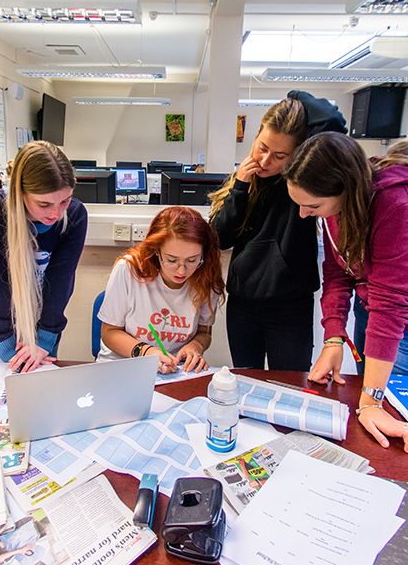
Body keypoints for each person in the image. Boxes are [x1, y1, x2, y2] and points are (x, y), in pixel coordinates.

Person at [284, 133, 408, 452]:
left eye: (312, 206)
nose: (303, 214)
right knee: (373, 409)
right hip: (375, 313)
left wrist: (371, 402)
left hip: (398, 319)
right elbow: (339, 272)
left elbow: (390, 305)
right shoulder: (336, 209)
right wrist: (334, 337)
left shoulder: (395, 204)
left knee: (390, 414)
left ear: (344, 189)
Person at [209, 91, 347, 371]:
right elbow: (219, 239)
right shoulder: (244, 181)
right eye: (262, 148)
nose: (266, 160)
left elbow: (332, 122)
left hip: (289, 306)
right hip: (243, 304)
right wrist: (240, 188)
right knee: (248, 381)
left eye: (280, 155)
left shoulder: (301, 183)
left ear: (296, 154)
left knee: (291, 383)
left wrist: (295, 97)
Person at [0, 141, 88, 373]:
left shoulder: (75, 215)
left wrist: (44, 341)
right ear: (20, 192)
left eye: (65, 201)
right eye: (44, 203)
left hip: (41, 331)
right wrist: (7, 346)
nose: (56, 213)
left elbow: (61, 282)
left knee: (37, 403)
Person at [97, 206, 224, 373]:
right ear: (156, 251)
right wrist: (146, 352)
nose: (181, 271)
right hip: (122, 365)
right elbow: (110, 332)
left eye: (192, 260)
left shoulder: (206, 277)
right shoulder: (129, 269)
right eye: (172, 260)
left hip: (173, 371)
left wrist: (196, 345)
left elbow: (204, 331)